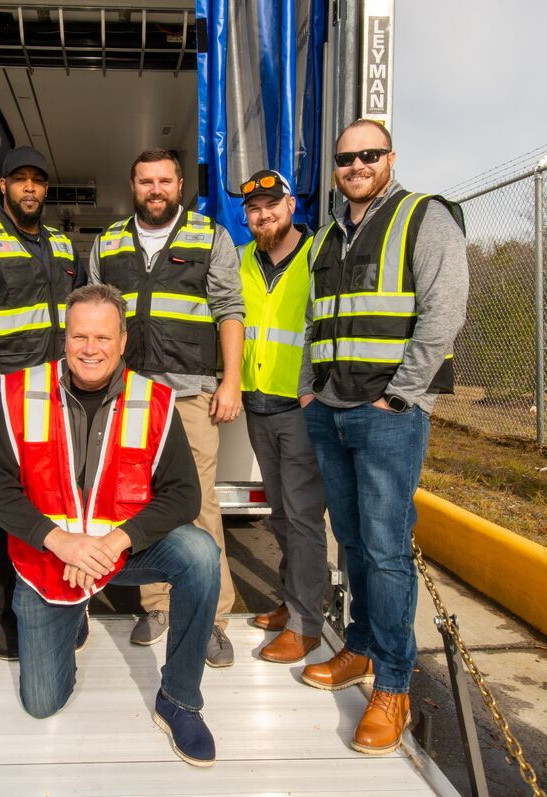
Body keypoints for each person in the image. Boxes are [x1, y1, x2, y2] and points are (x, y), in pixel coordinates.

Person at [0, 284, 221, 767]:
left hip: (119, 552)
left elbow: (183, 495)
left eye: (103, 338)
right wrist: (61, 542)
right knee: (42, 704)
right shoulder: (20, 393)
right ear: (63, 339)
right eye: (79, 337)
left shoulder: (154, 401)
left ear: (123, 341)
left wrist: (116, 540)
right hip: (49, 563)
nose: (90, 349)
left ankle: (180, 700)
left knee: (201, 555)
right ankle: (73, 615)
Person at [297, 120, 468, 754]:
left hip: (386, 415)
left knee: (388, 549)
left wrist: (401, 394)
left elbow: (446, 309)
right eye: (346, 158)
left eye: (369, 155)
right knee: (353, 541)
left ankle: (393, 686)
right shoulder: (325, 239)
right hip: (331, 410)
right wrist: (310, 387)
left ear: (390, 157)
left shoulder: (424, 218)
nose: (357, 165)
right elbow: (317, 321)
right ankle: (362, 649)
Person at [88, 148, 243, 667]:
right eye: (145, 181)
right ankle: (156, 606)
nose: (155, 189)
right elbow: (93, 316)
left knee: (199, 502)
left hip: (191, 390)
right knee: (135, 500)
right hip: (127, 394)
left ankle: (213, 620)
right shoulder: (109, 241)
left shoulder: (210, 236)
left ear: (181, 185)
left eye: (165, 180)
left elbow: (229, 311)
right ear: (132, 185)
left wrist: (231, 382)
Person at [0, 146, 84, 659]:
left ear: (46, 189)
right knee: (2, 509)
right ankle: (0, 616)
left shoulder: (61, 245)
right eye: (19, 179)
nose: (29, 188)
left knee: (55, 503)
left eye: (38, 180)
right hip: (3, 400)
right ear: (2, 186)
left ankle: (55, 603)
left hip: (55, 399)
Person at [235, 169, 328, 664]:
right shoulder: (242, 259)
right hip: (257, 404)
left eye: (271, 204)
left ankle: (306, 623)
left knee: (303, 517)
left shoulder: (316, 256)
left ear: (291, 205)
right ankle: (293, 601)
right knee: (279, 514)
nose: (263, 214)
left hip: (300, 407)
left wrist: (315, 389)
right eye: (253, 209)